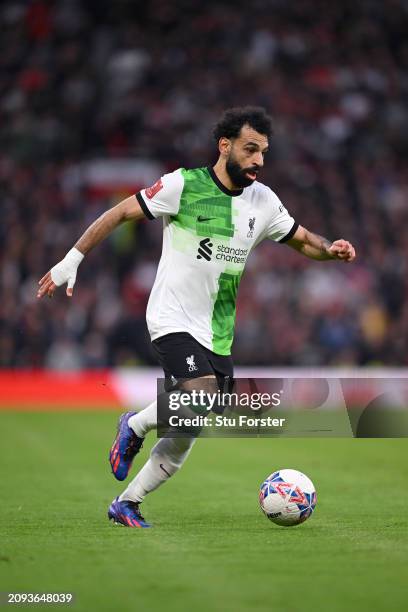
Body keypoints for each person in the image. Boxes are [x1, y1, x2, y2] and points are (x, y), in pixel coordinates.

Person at [37, 106, 356, 528]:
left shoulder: (264, 201)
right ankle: (133, 424)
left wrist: (330, 249)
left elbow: (302, 241)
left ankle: (126, 503)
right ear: (224, 146)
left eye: (263, 151)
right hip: (172, 317)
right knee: (200, 393)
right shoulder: (182, 185)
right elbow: (119, 213)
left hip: (217, 332)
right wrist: (71, 260)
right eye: (250, 148)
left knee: (192, 423)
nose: (259, 159)